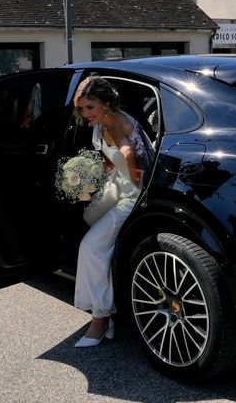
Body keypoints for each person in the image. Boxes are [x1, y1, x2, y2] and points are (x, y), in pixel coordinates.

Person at [72, 76, 154, 348]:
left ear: (106, 103)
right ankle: (104, 306)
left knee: (91, 246)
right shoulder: (102, 124)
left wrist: (124, 175)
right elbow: (109, 161)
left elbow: (137, 172)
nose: (86, 114)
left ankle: (101, 317)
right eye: (82, 109)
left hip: (135, 194)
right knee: (87, 225)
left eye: (90, 107)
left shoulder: (122, 125)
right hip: (119, 187)